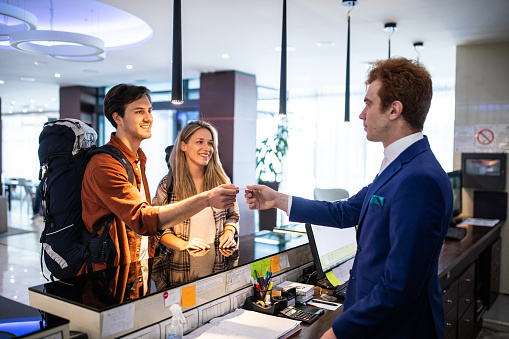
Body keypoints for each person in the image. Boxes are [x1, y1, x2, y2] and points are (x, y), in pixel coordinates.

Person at [245, 57, 453, 339]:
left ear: (394, 110)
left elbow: (400, 286)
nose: (361, 114)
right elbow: (344, 213)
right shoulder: (400, 166)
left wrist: (339, 331)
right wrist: (278, 200)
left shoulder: (419, 178)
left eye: (368, 103)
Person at [81, 84, 238, 273]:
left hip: (139, 269)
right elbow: (143, 220)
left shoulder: (137, 159)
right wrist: (204, 200)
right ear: (117, 117)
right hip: (113, 276)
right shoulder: (105, 165)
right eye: (139, 111)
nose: (148, 118)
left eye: (149, 111)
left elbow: (233, 217)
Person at [152, 120, 239, 253]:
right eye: (200, 142)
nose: (207, 148)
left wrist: (229, 233)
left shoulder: (222, 182)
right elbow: (158, 227)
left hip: (218, 266)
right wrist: (184, 244)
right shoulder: (168, 184)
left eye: (210, 143)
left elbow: (232, 216)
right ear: (183, 146)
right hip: (179, 268)